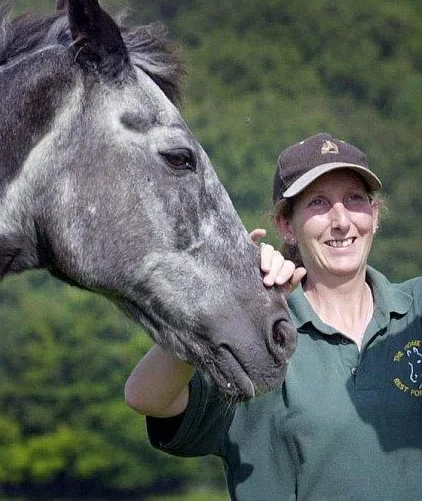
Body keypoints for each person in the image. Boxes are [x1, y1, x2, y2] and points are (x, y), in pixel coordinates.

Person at [125, 132, 422, 500]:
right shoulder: (257, 336)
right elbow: (146, 397)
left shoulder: (416, 307)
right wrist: (219, 301)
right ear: (286, 225)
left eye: (354, 199)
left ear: (374, 215)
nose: (341, 220)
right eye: (318, 203)